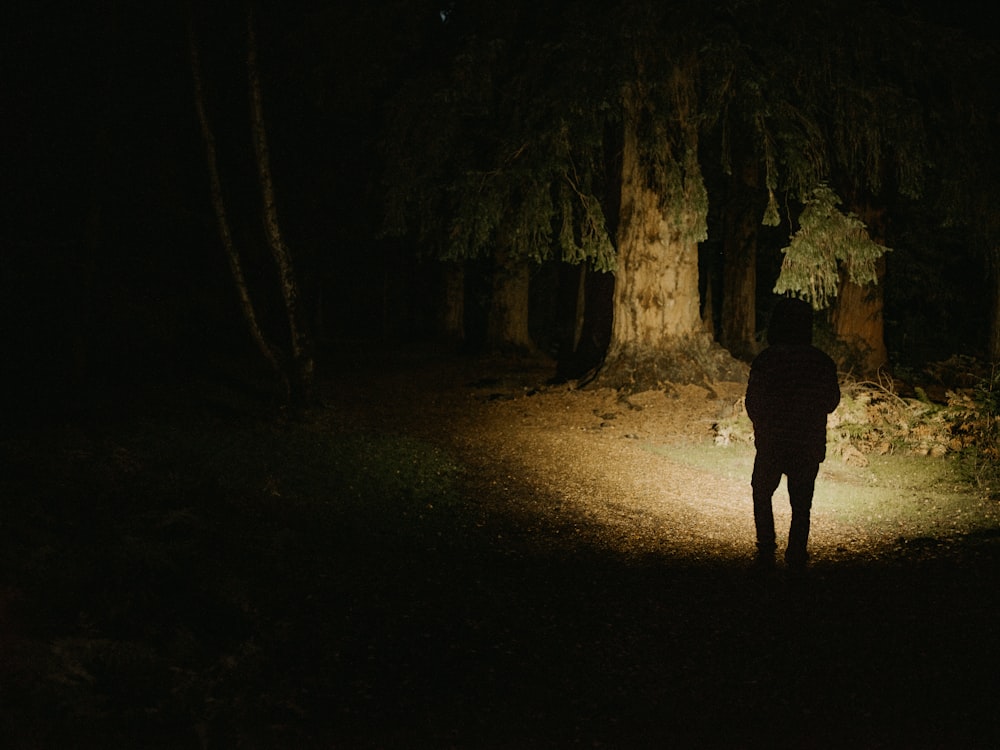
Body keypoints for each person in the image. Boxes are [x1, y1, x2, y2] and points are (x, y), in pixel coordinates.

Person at [745, 297, 841, 570]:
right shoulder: (821, 361)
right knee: (802, 503)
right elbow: (831, 402)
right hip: (806, 443)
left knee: (761, 492)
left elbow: (753, 401)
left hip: (772, 442)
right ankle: (796, 552)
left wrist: (763, 426)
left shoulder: (766, 360)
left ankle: (766, 546)